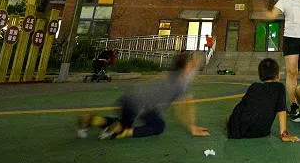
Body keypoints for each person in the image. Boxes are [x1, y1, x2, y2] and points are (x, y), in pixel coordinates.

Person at [76, 51, 209, 140]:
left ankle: (93, 119)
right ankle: (122, 131)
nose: (195, 71)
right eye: (196, 67)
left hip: (129, 100)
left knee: (130, 120)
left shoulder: (171, 74)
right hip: (139, 106)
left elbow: (188, 103)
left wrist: (192, 123)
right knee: (158, 126)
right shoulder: (181, 82)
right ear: (191, 65)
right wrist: (191, 127)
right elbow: (184, 107)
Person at [226, 58, 300, 142]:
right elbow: (281, 110)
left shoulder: (254, 86)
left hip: (236, 130)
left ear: (260, 75)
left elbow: (244, 106)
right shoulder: (279, 87)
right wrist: (284, 134)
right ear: (277, 75)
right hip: (260, 132)